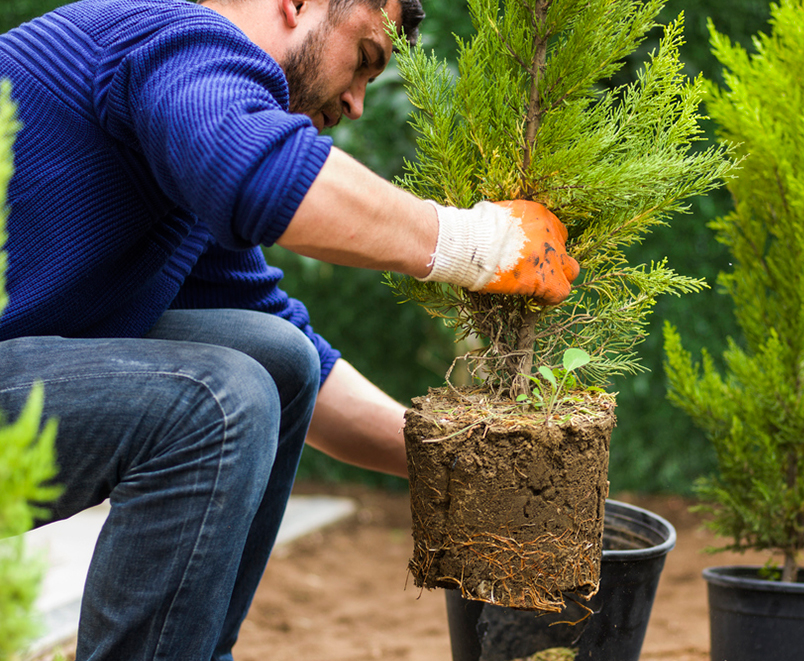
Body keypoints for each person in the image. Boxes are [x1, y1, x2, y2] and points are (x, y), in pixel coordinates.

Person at [0, 0, 579, 657]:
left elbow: (295, 354)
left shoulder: (181, 150)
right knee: (217, 400)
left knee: (276, 356)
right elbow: (262, 175)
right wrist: (479, 245)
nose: (358, 103)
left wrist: (461, 465)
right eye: (363, 60)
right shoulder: (178, 39)